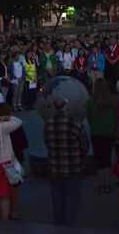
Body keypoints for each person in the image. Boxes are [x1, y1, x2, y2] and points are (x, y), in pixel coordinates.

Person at [44, 97, 90, 227]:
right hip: (74, 167)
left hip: (55, 167)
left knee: (57, 198)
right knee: (72, 198)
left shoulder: (48, 124)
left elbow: (47, 142)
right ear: (66, 107)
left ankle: (58, 225)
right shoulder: (75, 123)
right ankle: (69, 226)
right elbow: (85, 145)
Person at [0, 102, 28, 220]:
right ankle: (13, 211)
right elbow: (24, 143)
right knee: (13, 187)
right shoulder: (15, 126)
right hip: (14, 159)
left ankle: (0, 211)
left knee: (0, 187)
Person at [86, 78, 116, 193]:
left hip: (96, 132)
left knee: (99, 159)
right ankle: (107, 183)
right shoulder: (112, 101)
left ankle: (101, 184)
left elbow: (89, 118)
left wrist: (94, 124)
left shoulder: (91, 102)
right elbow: (114, 116)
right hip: (109, 132)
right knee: (107, 158)